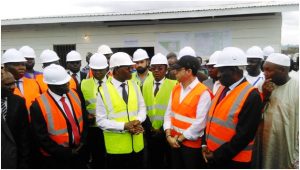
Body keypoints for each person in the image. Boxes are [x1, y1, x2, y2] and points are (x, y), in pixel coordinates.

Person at [203, 47, 263, 169]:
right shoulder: (222, 88)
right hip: (213, 156)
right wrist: (205, 145)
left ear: (234, 70)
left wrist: (217, 155)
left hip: (234, 161)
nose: (218, 75)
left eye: (221, 71)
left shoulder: (252, 96)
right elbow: (211, 120)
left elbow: (244, 136)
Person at [30, 64, 88, 168]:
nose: (67, 84)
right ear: (50, 85)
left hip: (80, 151)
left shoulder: (75, 93)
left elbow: (84, 119)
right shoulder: (38, 105)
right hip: (56, 158)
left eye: (67, 81)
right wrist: (64, 152)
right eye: (63, 83)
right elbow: (40, 137)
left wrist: (83, 141)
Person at [96, 52, 146, 168]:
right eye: (128, 68)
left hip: (137, 147)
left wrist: (137, 121)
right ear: (117, 70)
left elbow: (142, 108)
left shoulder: (135, 85)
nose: (132, 70)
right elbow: (101, 121)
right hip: (117, 150)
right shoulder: (103, 91)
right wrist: (124, 126)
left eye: (132, 67)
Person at [163, 54, 212, 168]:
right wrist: (168, 135)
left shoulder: (203, 92)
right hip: (174, 142)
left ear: (188, 71)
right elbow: (168, 113)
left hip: (191, 147)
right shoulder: (176, 88)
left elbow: (200, 123)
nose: (175, 72)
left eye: (178, 70)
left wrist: (179, 139)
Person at [260, 53, 298, 169]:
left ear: (283, 70)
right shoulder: (263, 86)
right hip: (266, 142)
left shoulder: (297, 87)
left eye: (268, 70)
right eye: (264, 70)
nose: (265, 74)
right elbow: (255, 114)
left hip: (289, 143)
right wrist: (265, 96)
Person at [142, 53, 177, 168]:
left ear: (166, 69)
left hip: (167, 132)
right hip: (150, 132)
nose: (156, 71)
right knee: (154, 161)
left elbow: (174, 111)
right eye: (153, 68)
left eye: (160, 68)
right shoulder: (146, 85)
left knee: (169, 161)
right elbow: (144, 107)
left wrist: (162, 130)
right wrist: (149, 127)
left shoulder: (174, 85)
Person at [80, 53, 109, 168]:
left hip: (109, 127)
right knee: (97, 158)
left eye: (101, 70)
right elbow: (81, 106)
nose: (97, 73)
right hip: (93, 129)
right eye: (95, 70)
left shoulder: (114, 83)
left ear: (106, 68)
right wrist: (86, 115)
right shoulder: (83, 84)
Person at [1, 69, 31, 168]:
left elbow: (24, 134)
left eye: (14, 83)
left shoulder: (19, 102)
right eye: (8, 84)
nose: (13, 87)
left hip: (14, 158)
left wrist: (24, 162)